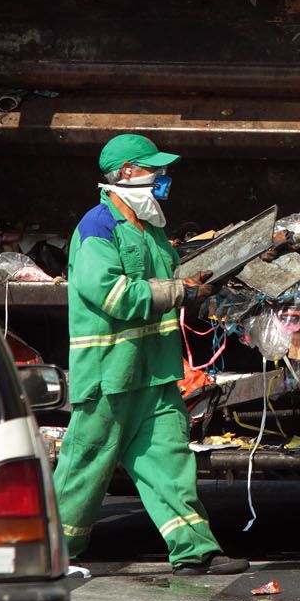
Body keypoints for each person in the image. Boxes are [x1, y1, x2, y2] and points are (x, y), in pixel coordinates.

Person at [55, 134, 248, 576]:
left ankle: (195, 549)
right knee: (85, 466)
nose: (162, 178)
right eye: (153, 170)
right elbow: (113, 294)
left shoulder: (152, 229)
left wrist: (197, 278)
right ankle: (50, 550)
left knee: (169, 460)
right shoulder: (96, 228)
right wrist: (182, 290)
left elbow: (165, 278)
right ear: (125, 174)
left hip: (156, 372)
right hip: (110, 376)